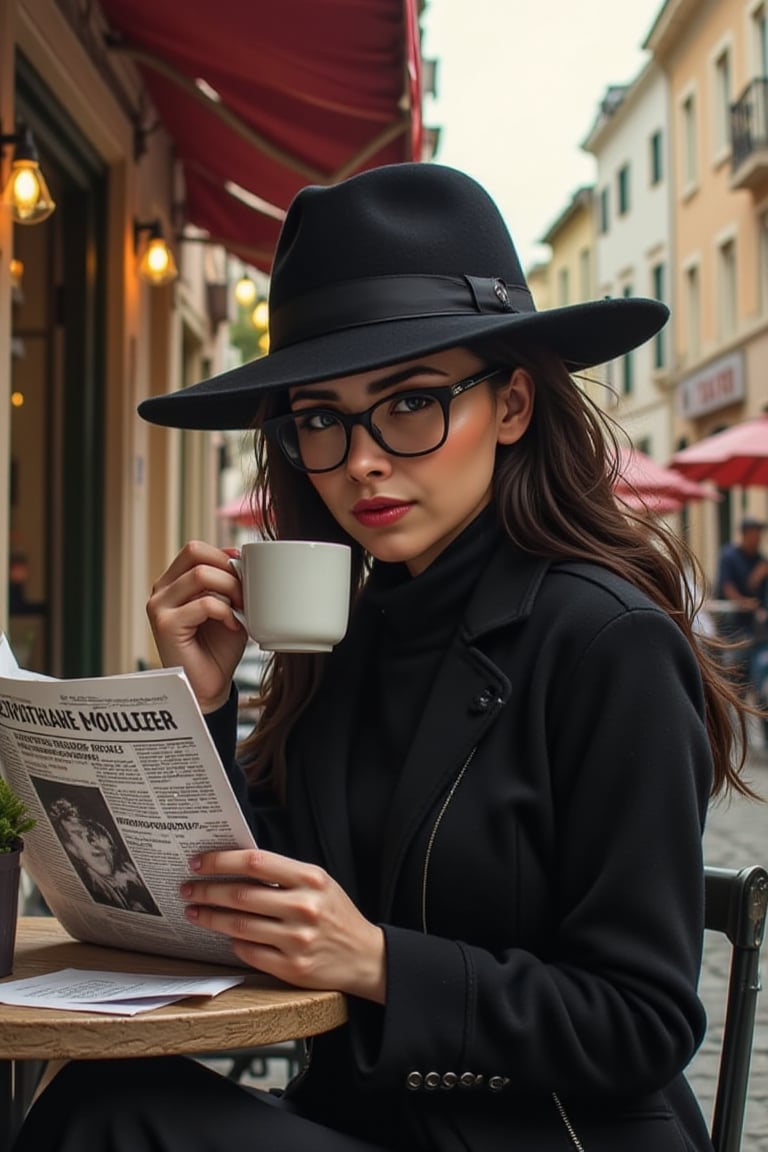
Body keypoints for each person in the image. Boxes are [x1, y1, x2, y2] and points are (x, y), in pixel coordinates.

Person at [13, 162, 760, 1152]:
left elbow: (645, 1022)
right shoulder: (351, 631)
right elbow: (269, 895)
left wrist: (379, 964)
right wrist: (192, 707)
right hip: (365, 1122)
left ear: (513, 406)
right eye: (320, 417)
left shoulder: (607, 643)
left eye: (410, 402)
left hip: (544, 1137)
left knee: (108, 1123)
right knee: (93, 1105)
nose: (362, 457)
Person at [46, 795, 160, 915]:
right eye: (78, 834)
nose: (92, 840)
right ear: (71, 849)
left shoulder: (133, 875)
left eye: (92, 830)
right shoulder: (92, 890)